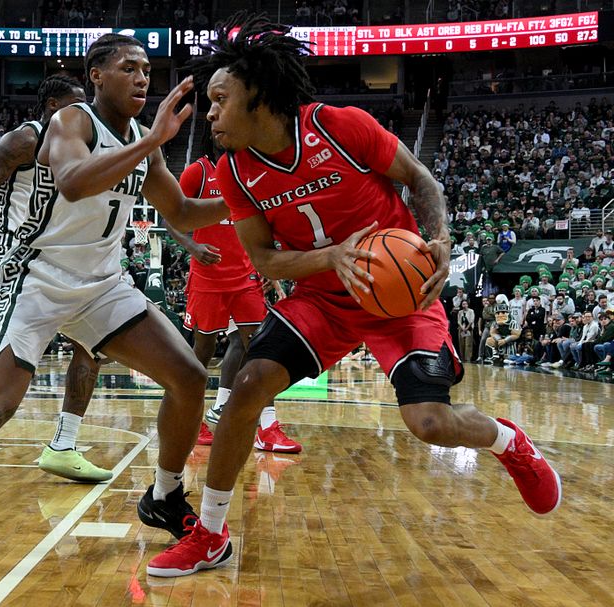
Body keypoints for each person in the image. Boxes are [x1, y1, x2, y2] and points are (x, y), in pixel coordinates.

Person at [146, 15, 562, 577]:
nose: (211, 113)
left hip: (400, 293)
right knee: (246, 385)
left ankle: (510, 443)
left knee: (430, 424)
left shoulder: (341, 125)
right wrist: (332, 258)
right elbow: (265, 261)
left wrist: (438, 238)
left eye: (220, 99)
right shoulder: (235, 174)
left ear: (260, 96)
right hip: (322, 300)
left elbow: (422, 181)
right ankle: (212, 535)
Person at [0, 33, 229, 557]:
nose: (143, 78)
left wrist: (251, 204)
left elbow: (184, 213)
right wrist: (150, 142)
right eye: (129, 67)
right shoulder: (70, 122)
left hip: (102, 284)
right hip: (35, 278)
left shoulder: (145, 139)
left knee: (189, 376)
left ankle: (165, 494)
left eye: (147, 69)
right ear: (97, 75)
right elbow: (75, 182)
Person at [0, 76, 112, 497]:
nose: (83, 112)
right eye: (75, 104)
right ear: (52, 105)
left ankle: (63, 444)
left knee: (93, 345)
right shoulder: (23, 140)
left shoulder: (85, 143)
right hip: (2, 250)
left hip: (50, 255)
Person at [165, 127, 300, 452]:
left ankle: (267, 429)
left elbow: (263, 225)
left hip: (245, 277)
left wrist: (267, 267)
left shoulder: (249, 174)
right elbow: (171, 216)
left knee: (261, 349)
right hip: (207, 278)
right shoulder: (198, 171)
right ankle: (192, 420)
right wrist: (192, 247)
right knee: (202, 353)